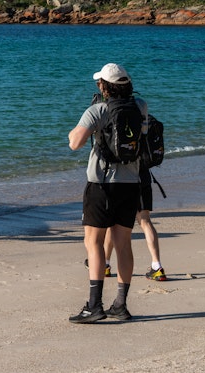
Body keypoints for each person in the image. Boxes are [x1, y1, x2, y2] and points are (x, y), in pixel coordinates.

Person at [67, 63, 146, 323]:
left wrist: (74, 131)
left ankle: (94, 305)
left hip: (101, 184)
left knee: (94, 243)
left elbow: (75, 143)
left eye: (99, 83)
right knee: (123, 244)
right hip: (131, 183)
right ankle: (121, 305)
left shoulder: (97, 110)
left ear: (104, 86)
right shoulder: (140, 107)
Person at [103, 165, 167, 280]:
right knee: (145, 221)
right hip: (142, 177)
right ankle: (157, 266)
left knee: (112, 223)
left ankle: (105, 264)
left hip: (120, 180)